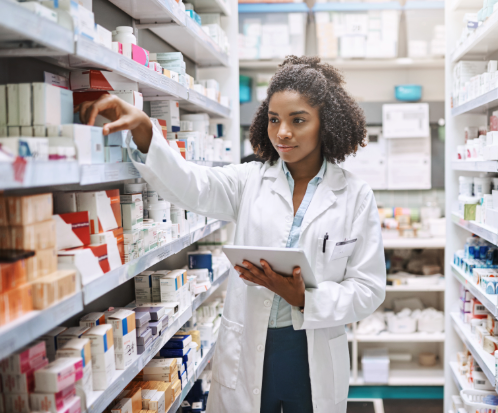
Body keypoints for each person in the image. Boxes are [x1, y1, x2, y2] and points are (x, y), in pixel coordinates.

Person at [77, 55, 386, 413]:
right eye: (274, 119)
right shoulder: (249, 179)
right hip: (250, 350)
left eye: (298, 120)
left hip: (311, 350)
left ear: (326, 125)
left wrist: (304, 298)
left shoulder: (354, 195)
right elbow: (192, 186)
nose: (282, 132)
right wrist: (146, 131)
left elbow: (368, 288)